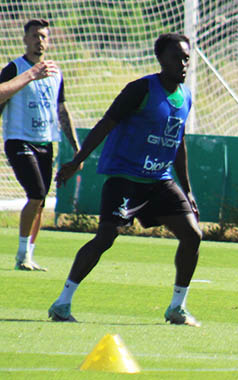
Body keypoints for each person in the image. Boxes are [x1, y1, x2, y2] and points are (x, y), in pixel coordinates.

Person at [48, 33, 203, 327]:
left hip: (160, 180)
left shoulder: (187, 97)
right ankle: (62, 303)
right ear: (161, 60)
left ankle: (177, 308)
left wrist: (188, 190)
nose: (183, 64)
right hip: (125, 178)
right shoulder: (140, 89)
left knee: (193, 235)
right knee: (106, 236)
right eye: (176, 58)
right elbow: (106, 124)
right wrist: (76, 161)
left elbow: (178, 144)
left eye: (186, 58)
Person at [0, 19, 80, 271]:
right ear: (24, 39)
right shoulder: (14, 68)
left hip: (46, 142)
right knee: (35, 193)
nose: (39, 40)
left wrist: (76, 147)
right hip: (19, 140)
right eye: (34, 36)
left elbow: (61, 109)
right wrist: (30, 76)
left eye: (44, 36)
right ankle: (22, 255)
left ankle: (29, 254)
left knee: (41, 200)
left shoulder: (56, 72)